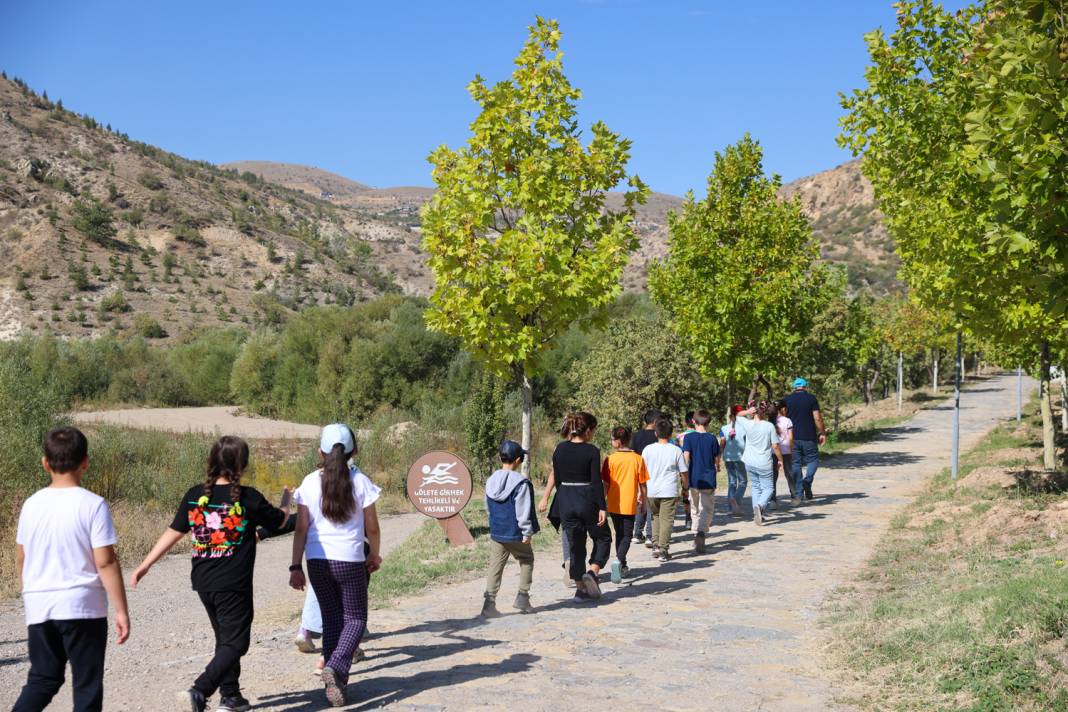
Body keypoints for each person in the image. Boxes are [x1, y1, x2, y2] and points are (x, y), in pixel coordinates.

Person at [131, 435, 289, 712]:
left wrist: (147, 563)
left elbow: (174, 531)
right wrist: (288, 499)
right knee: (237, 642)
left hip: (204, 582)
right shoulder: (249, 497)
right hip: (233, 583)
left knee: (225, 639)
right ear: (243, 464)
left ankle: (231, 696)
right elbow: (280, 520)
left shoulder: (196, 495)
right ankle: (199, 690)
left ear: (212, 461)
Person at [13, 427, 130, 712]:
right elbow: (105, 561)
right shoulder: (93, 504)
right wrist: (121, 609)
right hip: (82, 606)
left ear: (45, 462)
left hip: (40, 605)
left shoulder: (31, 505)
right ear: (85, 462)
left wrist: (32, 593)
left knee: (43, 678)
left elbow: (21, 557)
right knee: (86, 684)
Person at [290, 424, 382, 708]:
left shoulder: (308, 482)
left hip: (317, 561)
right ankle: (336, 667)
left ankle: (336, 684)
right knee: (355, 619)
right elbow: (373, 528)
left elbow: (301, 529)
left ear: (320, 451)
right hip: (350, 560)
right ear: (355, 450)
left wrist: (295, 565)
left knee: (331, 620)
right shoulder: (361, 481)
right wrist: (374, 555)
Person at [538, 412, 611, 603]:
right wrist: (602, 507)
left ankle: (580, 589)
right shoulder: (592, 451)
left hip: (566, 500)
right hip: (587, 499)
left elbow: (558, 479)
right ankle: (593, 572)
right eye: (594, 430)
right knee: (603, 537)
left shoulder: (559, 450)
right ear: (587, 430)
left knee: (575, 545)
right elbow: (596, 482)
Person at [482, 440, 539, 617]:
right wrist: (526, 531)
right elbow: (523, 510)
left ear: (500, 457)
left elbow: (487, 507)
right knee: (526, 559)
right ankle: (522, 597)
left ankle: (489, 604)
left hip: (497, 531)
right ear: (518, 460)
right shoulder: (521, 483)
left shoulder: (490, 480)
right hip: (515, 532)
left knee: (495, 566)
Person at [600, 426, 649, 577]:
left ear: (619, 442)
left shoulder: (610, 459)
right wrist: (644, 501)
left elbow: (605, 485)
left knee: (620, 534)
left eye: (613, 439)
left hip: (614, 504)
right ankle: (619, 561)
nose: (611, 441)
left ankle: (622, 565)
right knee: (627, 536)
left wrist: (602, 503)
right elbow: (643, 484)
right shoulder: (637, 459)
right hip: (629, 503)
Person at [642, 418, 688, 562]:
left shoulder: (648, 449)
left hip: (651, 490)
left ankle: (656, 545)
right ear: (671, 434)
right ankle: (663, 550)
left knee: (655, 516)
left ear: (655, 433)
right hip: (669, 490)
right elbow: (684, 472)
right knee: (667, 519)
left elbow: (641, 470)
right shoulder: (676, 450)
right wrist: (685, 487)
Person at [737, 402, 785, 525]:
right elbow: (775, 445)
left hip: (749, 461)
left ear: (754, 412)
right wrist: (780, 459)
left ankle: (757, 513)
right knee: (768, 488)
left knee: (756, 487)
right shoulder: (769, 426)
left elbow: (737, 415)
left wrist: (748, 411)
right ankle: (760, 506)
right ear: (765, 412)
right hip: (764, 462)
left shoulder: (747, 424)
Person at [682, 410, 721, 554]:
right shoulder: (712, 438)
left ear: (693, 421)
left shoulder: (688, 437)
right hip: (708, 478)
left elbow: (686, 457)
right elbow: (716, 458)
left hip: (693, 478)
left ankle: (695, 533)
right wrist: (718, 466)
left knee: (694, 507)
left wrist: (684, 475)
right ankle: (701, 532)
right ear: (708, 423)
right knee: (707, 508)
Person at [782, 378, 827, 500]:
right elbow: (817, 418)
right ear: (805, 386)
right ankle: (807, 481)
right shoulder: (811, 398)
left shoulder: (787, 399)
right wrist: (822, 432)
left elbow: (783, 417)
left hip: (792, 436)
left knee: (795, 463)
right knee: (813, 460)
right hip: (809, 436)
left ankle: (799, 493)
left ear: (794, 386)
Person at [629, 410, 661, 547]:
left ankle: (637, 534)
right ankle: (649, 535)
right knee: (650, 504)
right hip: (653, 473)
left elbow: (632, 454)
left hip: (638, 472)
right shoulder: (657, 436)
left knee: (640, 502)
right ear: (654, 422)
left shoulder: (636, 435)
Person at [719, 405, 748, 516]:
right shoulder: (746, 428)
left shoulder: (723, 428)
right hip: (740, 458)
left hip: (728, 457)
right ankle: (736, 499)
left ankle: (732, 509)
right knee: (743, 481)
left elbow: (722, 444)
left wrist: (719, 457)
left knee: (732, 482)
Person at [773, 400, 796, 505]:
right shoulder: (787, 421)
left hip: (773, 452)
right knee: (789, 473)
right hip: (786, 451)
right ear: (782, 409)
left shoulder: (770, 421)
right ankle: (794, 497)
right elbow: (790, 438)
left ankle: (772, 500)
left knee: (773, 476)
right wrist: (792, 449)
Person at [675, 411, 696, 530]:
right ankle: (696, 516)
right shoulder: (702, 434)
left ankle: (688, 518)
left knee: (686, 492)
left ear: (685, 422)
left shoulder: (679, 437)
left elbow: (677, 454)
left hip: (684, 469)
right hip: (698, 468)